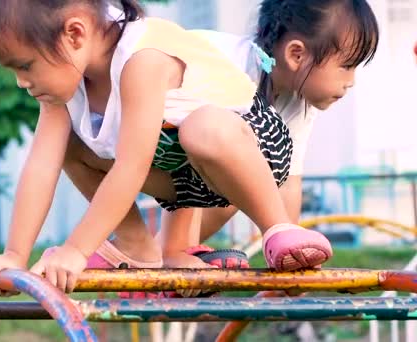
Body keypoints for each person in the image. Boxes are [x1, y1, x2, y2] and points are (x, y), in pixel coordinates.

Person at [0, 0, 333, 296]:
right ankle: (137, 247)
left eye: (24, 65)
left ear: (75, 34)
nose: (20, 82)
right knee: (69, 144)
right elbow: (40, 166)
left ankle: (277, 228)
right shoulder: (63, 88)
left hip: (251, 149)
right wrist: (14, 255)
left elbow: (131, 167)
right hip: (182, 173)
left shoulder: (142, 58)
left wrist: (75, 250)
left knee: (203, 127)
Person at [158, 0, 380, 273]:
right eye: (347, 66)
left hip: (178, 159)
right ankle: (169, 249)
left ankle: (164, 252)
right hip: (132, 136)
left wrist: (296, 259)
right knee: (230, 155)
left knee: (251, 176)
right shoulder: (224, 66)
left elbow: (286, 181)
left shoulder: (299, 99)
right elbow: (189, 149)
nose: (352, 81)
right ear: (296, 55)